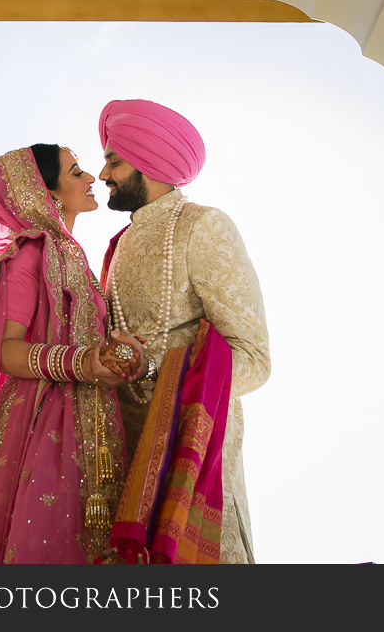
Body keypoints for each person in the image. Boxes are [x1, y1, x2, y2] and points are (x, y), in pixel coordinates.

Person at [0, 144, 141, 564]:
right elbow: (8, 354)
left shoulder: (80, 263)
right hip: (44, 426)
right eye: (75, 172)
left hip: (96, 426)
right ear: (44, 192)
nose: (91, 178)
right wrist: (84, 363)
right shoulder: (31, 253)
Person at [97, 99, 271, 564]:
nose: (102, 173)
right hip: (122, 468)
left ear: (149, 163)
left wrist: (157, 368)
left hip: (188, 465)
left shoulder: (203, 226)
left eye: (113, 160)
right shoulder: (115, 248)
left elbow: (254, 358)